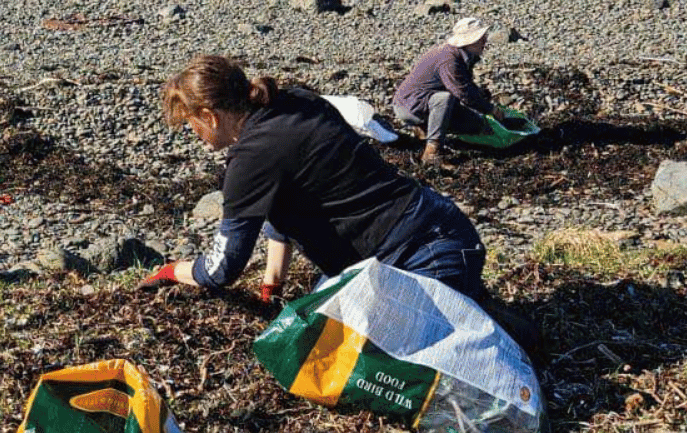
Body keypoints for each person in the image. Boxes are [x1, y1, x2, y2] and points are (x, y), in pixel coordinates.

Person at [142, 55, 487, 306]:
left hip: (420, 256)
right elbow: (286, 201)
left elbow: (222, 269)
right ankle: (480, 305)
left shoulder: (250, 158)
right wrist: (271, 286)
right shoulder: (295, 101)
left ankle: (494, 322)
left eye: (190, 123)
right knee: (312, 318)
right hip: (442, 229)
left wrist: (171, 271)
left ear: (208, 116)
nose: (194, 133)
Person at [392, 16, 494, 165]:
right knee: (444, 98)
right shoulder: (449, 58)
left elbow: (466, 86)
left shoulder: (464, 56)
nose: (485, 41)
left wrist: (481, 98)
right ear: (469, 41)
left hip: (426, 103)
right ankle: (431, 152)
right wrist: (492, 110)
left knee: (477, 125)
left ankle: (425, 128)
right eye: (481, 38)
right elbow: (462, 92)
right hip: (409, 106)